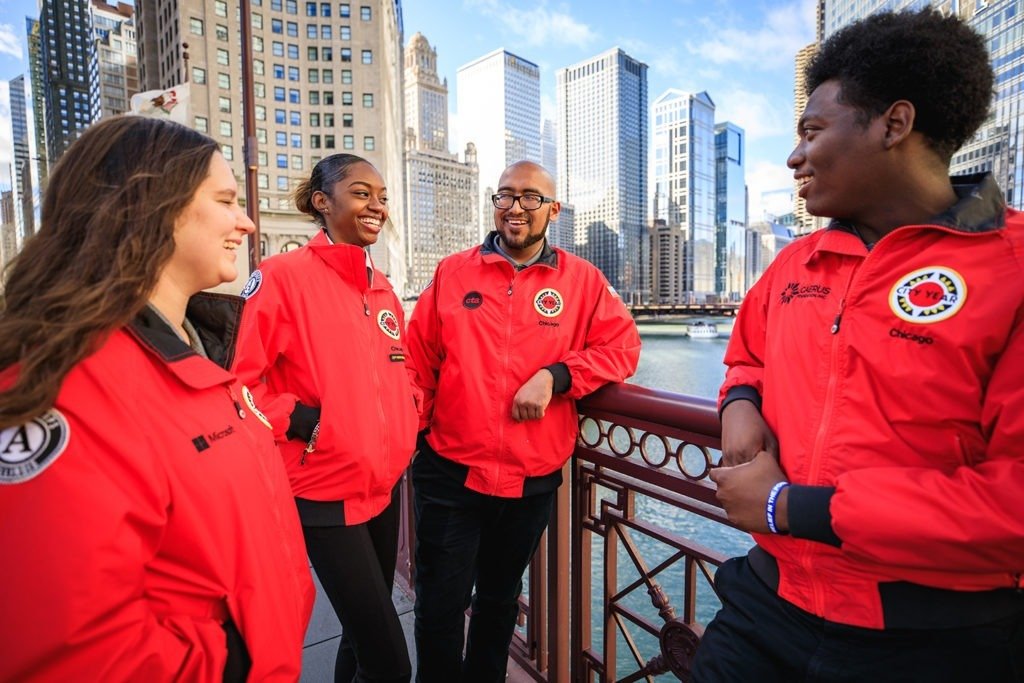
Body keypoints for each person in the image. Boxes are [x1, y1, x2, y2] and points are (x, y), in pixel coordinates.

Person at [696, 9, 1024, 682]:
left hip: (932, 637)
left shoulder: (1011, 267)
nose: (794, 156)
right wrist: (739, 402)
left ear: (893, 125)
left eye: (812, 131)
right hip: (768, 600)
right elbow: (746, 350)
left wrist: (786, 505)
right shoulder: (796, 263)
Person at [0, 116, 314, 681]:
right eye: (225, 200)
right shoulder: (65, 393)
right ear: (154, 208)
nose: (245, 221)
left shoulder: (195, 358)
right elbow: (69, 652)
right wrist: (233, 664)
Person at [405, 160, 642, 682]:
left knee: (498, 601)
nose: (516, 207)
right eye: (506, 195)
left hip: (530, 478)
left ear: (552, 211)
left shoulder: (582, 281)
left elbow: (622, 347)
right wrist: (413, 433)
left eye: (531, 198)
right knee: (439, 605)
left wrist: (556, 376)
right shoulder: (453, 271)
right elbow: (417, 360)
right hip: (450, 471)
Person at [232, 153, 418, 683]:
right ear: (322, 201)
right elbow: (239, 382)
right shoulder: (280, 278)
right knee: (389, 662)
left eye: (381, 197)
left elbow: (395, 375)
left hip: (383, 489)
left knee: (363, 638)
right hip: (322, 491)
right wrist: (301, 421)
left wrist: (406, 417)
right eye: (361, 193)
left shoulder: (383, 290)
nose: (376, 205)